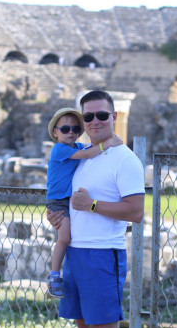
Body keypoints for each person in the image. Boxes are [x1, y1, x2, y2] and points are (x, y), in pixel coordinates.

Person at [48, 91, 145, 328]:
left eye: (101, 115)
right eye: (87, 117)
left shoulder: (124, 159)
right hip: (76, 252)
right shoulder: (83, 156)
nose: (94, 122)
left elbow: (135, 211)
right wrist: (59, 218)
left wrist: (90, 205)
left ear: (114, 116)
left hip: (103, 254)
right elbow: (67, 198)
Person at [46, 108, 122, 299]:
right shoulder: (59, 149)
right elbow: (89, 154)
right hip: (59, 201)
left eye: (75, 128)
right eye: (65, 129)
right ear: (55, 132)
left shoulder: (77, 147)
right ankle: (54, 276)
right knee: (64, 238)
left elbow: (90, 150)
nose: (71, 132)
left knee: (72, 236)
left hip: (70, 200)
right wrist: (109, 143)